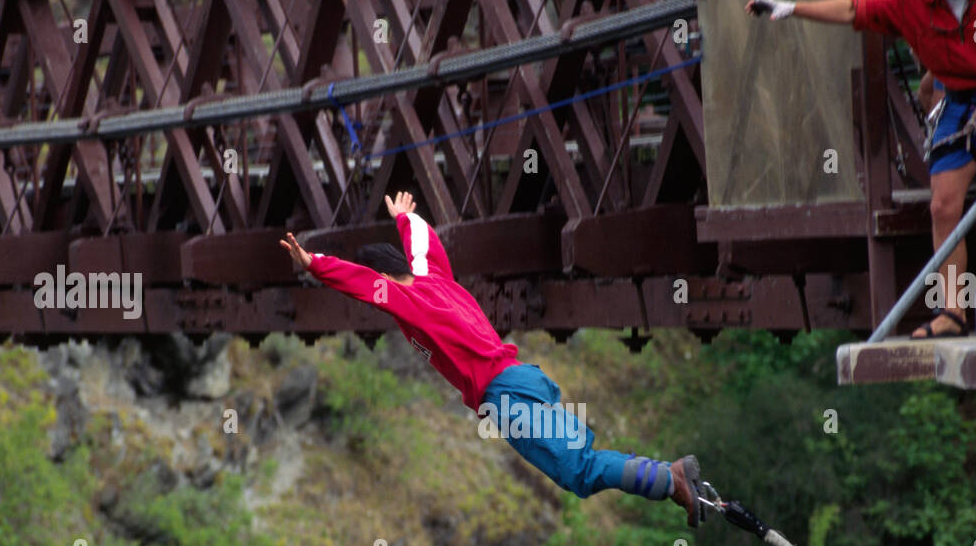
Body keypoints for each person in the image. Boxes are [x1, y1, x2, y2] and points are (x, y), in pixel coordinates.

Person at [279, 191, 706, 527]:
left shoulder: (411, 300)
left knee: (579, 470)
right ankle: (671, 480)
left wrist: (315, 263)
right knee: (580, 463)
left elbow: (367, 283)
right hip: (523, 379)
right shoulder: (434, 280)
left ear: (389, 277)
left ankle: (671, 479)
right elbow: (426, 248)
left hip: (505, 396)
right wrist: (406, 220)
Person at [748, 0, 976, 336]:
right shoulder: (911, 0)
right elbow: (854, 10)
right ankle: (952, 312)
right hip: (959, 103)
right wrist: (793, 9)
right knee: (943, 206)